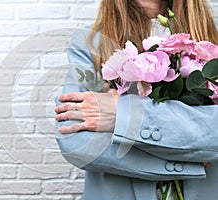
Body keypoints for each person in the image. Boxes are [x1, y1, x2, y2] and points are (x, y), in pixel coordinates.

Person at [55, 0, 218, 199]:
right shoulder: (90, 44)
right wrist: (190, 160)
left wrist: (121, 114)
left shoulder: (212, 39)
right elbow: (75, 141)